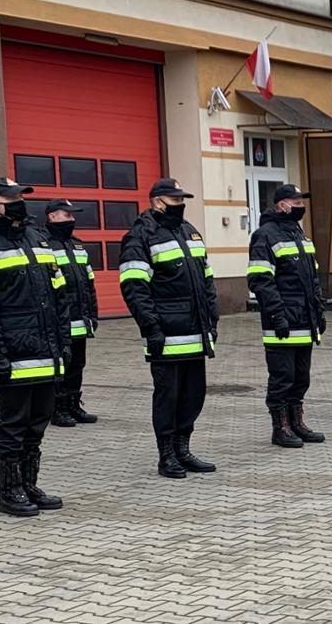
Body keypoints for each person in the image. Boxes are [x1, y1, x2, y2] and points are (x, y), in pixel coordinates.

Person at [0, 177, 68, 516]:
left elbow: (60, 295)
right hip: (12, 355)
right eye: (11, 198)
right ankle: (10, 491)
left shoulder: (38, 239)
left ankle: (29, 484)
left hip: (46, 354)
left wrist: (62, 343)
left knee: (37, 423)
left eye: (21, 197)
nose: (19, 202)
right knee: (13, 424)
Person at [119, 178, 220, 477]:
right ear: (158, 201)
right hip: (166, 334)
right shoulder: (140, 236)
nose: (181, 204)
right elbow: (135, 288)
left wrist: (211, 319)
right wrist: (152, 329)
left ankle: (183, 449)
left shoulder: (189, 231)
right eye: (176, 200)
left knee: (193, 395)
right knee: (168, 396)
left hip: (195, 333)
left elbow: (207, 279)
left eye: (182, 199)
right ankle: (167, 456)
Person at [248, 183, 328, 448]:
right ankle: (280, 427)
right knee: (283, 376)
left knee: (301, 377)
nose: (300, 207)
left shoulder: (299, 235)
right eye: (296, 203)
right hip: (281, 322)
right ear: (282, 205)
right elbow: (260, 280)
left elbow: (312, 278)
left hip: (305, 321)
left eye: (301, 202)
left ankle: (297, 422)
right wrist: (277, 315)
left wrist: (319, 310)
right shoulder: (265, 236)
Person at [41, 199, 100, 427]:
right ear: (53, 216)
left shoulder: (77, 245)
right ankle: (58, 408)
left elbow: (89, 283)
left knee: (77, 364)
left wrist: (92, 314)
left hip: (80, 319)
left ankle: (74, 405)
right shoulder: (44, 245)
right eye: (67, 215)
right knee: (60, 365)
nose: (72, 220)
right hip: (58, 320)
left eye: (72, 216)